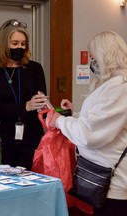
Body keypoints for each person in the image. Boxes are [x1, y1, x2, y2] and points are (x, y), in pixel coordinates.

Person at [47, 31, 127, 216]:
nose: (91, 62)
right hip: (108, 179)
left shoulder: (118, 87)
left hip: (113, 182)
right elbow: (102, 121)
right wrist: (76, 114)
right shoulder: (114, 85)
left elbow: (90, 135)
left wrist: (60, 121)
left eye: (93, 57)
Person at [0, 19, 48, 170]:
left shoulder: (35, 69)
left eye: (23, 44)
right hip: (3, 138)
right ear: (3, 43)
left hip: (32, 136)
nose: (20, 47)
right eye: (15, 43)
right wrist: (25, 106)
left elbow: (41, 104)